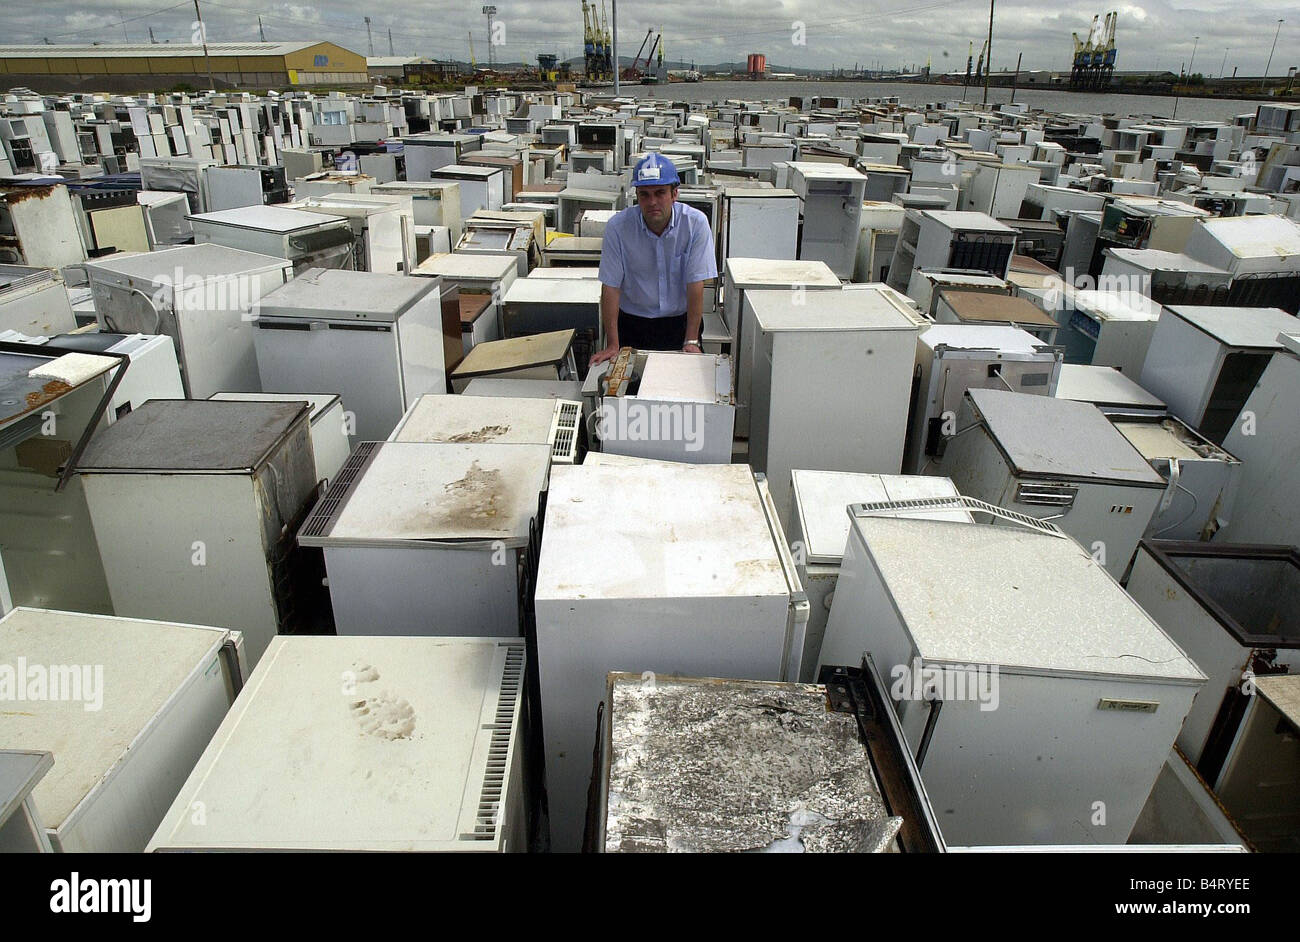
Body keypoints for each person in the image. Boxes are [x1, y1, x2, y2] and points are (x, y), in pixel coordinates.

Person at [590, 153, 718, 366]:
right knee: (631, 391)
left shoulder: (695, 224)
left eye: (660, 193)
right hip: (633, 325)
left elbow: (696, 284)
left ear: (674, 193)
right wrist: (613, 344)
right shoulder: (618, 228)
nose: (652, 202)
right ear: (637, 196)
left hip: (680, 324)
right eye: (645, 195)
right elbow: (611, 287)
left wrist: (692, 340)